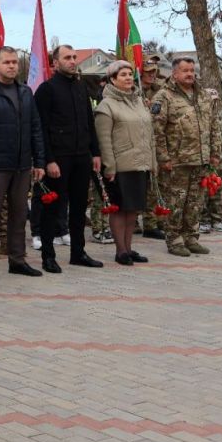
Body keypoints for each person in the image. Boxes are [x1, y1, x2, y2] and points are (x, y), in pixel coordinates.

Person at [0, 46, 46, 282]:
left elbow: (35, 128)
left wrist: (39, 161)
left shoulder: (25, 92)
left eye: (14, 62)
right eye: (7, 62)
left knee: (19, 214)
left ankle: (18, 260)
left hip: (22, 165)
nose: (12, 66)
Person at [34, 45, 105, 273]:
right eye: (67, 58)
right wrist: (49, 160)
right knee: (52, 209)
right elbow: (41, 128)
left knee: (78, 208)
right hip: (59, 159)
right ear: (55, 62)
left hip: (81, 157)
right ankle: (48, 256)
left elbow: (88, 122)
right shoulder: (47, 89)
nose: (73, 61)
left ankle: (78, 252)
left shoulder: (80, 86)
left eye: (74, 57)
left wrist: (95, 152)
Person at [151, 57, 222, 256]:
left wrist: (215, 152)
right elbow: (157, 131)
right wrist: (164, 158)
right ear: (174, 74)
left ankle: (191, 237)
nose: (190, 74)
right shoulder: (163, 97)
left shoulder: (203, 96)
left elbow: (214, 125)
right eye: (185, 71)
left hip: (201, 160)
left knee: (195, 202)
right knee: (176, 203)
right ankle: (174, 240)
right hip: (177, 162)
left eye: (192, 70)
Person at [93, 61, 154, 266]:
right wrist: (109, 167)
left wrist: (151, 162)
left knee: (133, 210)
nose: (128, 78)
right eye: (123, 75)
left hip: (140, 164)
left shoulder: (138, 101)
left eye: (130, 74)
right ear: (112, 79)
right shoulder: (106, 105)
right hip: (119, 166)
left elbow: (148, 134)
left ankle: (129, 248)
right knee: (120, 209)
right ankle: (120, 251)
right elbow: (104, 140)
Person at [200, 94, 222, 234]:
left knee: (217, 192)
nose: (214, 102)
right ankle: (203, 221)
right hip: (205, 161)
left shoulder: (221, 119)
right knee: (203, 192)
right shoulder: (200, 117)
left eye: (216, 100)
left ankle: (217, 220)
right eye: (210, 99)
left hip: (221, 161)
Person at [139, 57, 167, 240]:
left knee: (158, 184)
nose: (152, 75)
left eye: (154, 71)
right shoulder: (135, 91)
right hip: (141, 144)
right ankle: (148, 223)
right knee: (147, 186)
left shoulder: (160, 90)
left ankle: (158, 219)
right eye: (148, 71)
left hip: (158, 142)